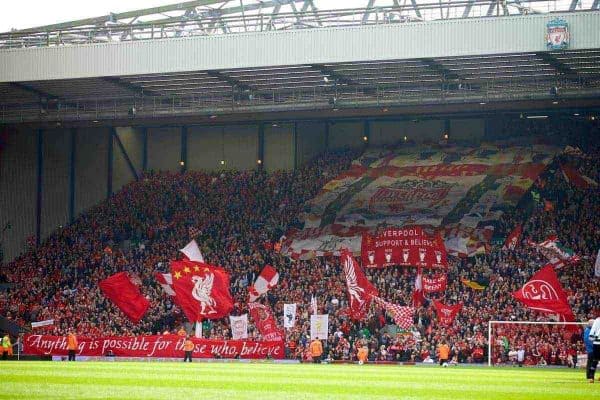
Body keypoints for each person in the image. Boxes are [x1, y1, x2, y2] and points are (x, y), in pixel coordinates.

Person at [587, 317, 600, 383]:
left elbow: (592, 332)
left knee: (595, 360)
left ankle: (591, 377)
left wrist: (593, 338)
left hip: (596, 343)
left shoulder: (597, 320)